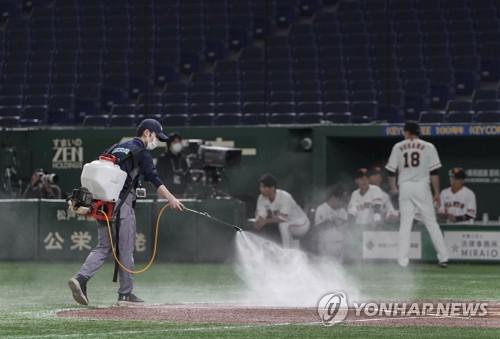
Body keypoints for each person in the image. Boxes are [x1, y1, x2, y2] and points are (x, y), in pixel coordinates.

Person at [68, 119, 185, 306]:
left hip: (103, 204)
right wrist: (171, 199)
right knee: (125, 249)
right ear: (147, 133)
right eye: (156, 136)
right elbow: (155, 180)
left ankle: (81, 279)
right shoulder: (142, 153)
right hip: (122, 205)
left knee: (103, 246)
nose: (157, 141)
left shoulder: (116, 147)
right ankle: (125, 294)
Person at [386, 121, 449, 268]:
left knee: (405, 225)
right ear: (418, 132)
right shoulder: (428, 146)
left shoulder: (398, 146)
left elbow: (390, 171)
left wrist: (393, 188)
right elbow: (434, 172)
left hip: (405, 186)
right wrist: (437, 192)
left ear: (407, 132)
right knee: (431, 223)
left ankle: (402, 261)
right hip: (422, 186)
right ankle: (443, 258)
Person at [254, 173, 310, 249]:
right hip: (290, 226)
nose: (261, 189)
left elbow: (283, 218)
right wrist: (259, 221)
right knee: (295, 251)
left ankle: (285, 251)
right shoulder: (261, 198)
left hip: (302, 224)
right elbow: (261, 215)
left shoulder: (285, 196)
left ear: (272, 188)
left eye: (264, 187)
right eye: (261, 187)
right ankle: (291, 255)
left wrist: (265, 221)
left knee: (283, 224)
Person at [314, 185, 348, 260]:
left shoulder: (342, 211)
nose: (341, 203)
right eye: (340, 200)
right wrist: (328, 221)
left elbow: (345, 228)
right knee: (326, 267)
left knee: (338, 268)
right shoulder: (321, 208)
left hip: (339, 243)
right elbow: (318, 228)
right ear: (333, 198)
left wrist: (340, 222)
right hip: (325, 244)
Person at [157, 132, 189, 197]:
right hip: (166, 194)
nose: (177, 144)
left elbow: (187, 176)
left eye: (179, 142)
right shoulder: (163, 159)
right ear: (169, 144)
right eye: (174, 142)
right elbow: (159, 177)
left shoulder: (183, 159)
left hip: (181, 193)